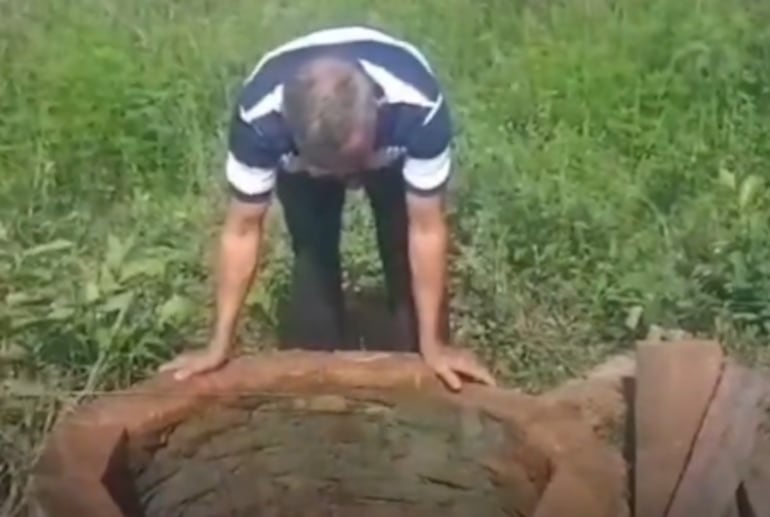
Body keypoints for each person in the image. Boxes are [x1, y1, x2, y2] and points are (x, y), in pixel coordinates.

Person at [160, 26, 496, 391]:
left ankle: (419, 356)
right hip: (306, 169)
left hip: (389, 155)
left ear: (377, 115)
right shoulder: (260, 119)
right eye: (333, 168)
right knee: (313, 256)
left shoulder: (416, 105)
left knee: (401, 245)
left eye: (354, 161)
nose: (348, 179)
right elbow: (242, 230)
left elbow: (427, 228)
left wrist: (434, 345)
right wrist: (218, 345)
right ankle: (317, 387)